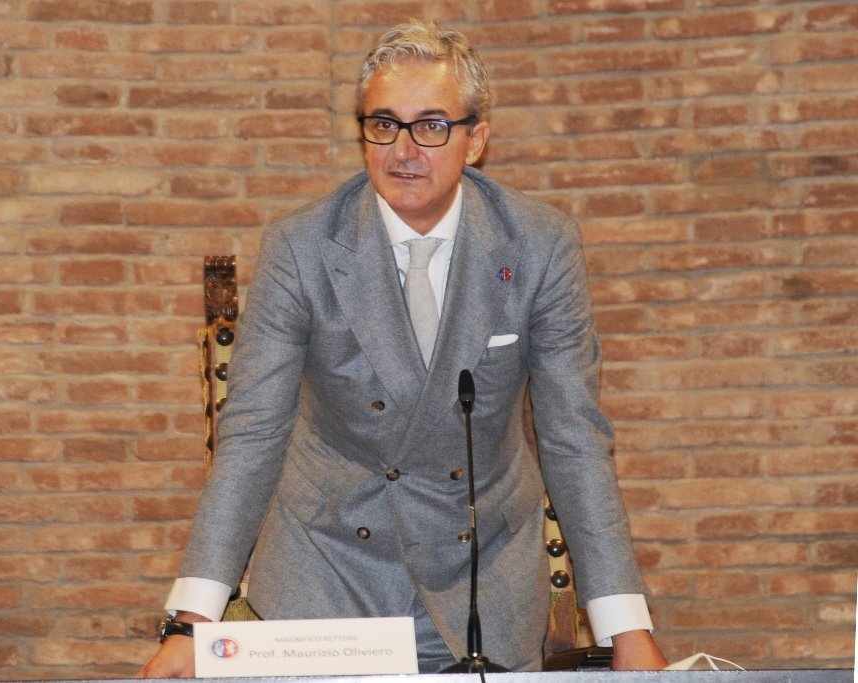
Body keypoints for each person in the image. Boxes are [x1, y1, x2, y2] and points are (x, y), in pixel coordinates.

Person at [138, 20, 667, 677]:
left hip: (482, 576)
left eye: (432, 125)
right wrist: (190, 622)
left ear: (477, 139)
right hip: (328, 571)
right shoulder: (300, 248)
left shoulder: (540, 245)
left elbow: (573, 437)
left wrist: (625, 625)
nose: (404, 150)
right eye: (384, 124)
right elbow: (252, 433)